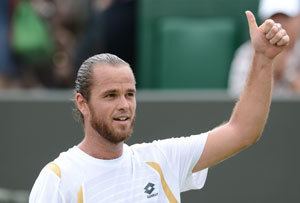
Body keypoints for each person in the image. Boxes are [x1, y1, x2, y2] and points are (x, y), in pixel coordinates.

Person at [29, 11, 290, 202]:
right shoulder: (58, 178)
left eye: (129, 94)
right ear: (82, 103)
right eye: (110, 95)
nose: (124, 105)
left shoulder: (161, 160)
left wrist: (263, 59)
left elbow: (243, 130)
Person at [228, 0, 300, 96]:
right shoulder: (246, 53)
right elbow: (237, 99)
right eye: (273, 19)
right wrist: (269, 71)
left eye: (286, 18)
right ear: (263, 22)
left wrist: (287, 74)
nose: (279, 25)